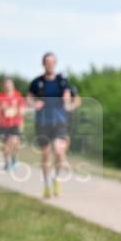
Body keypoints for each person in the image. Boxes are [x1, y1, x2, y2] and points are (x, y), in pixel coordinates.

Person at [27, 52, 74, 198]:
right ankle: (47, 183)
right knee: (46, 154)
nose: (50, 65)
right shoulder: (37, 82)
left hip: (59, 121)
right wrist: (35, 103)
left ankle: (57, 178)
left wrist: (68, 101)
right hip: (43, 122)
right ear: (43, 64)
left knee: (59, 151)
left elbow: (71, 95)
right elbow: (29, 98)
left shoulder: (62, 81)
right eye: (47, 62)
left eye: (52, 62)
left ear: (55, 64)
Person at [0, 79, 26, 170]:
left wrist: (20, 118)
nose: (8, 86)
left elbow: (22, 109)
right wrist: (1, 108)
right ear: (3, 86)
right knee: (5, 146)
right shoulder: (0, 96)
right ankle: (7, 163)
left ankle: (14, 158)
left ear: (13, 85)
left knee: (15, 142)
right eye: (6, 85)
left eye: (9, 84)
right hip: (3, 124)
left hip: (15, 123)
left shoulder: (18, 95)